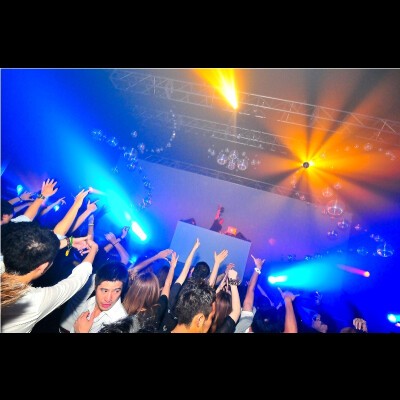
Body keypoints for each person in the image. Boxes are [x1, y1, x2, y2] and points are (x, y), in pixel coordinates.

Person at [1, 222, 97, 333]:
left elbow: (29, 249)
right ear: (42, 267)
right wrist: (94, 250)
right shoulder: (35, 302)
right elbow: (76, 280)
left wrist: (69, 241)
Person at [59, 261, 129, 333]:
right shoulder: (91, 301)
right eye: (104, 290)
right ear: (95, 287)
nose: (108, 299)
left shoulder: (120, 323)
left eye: (116, 291)